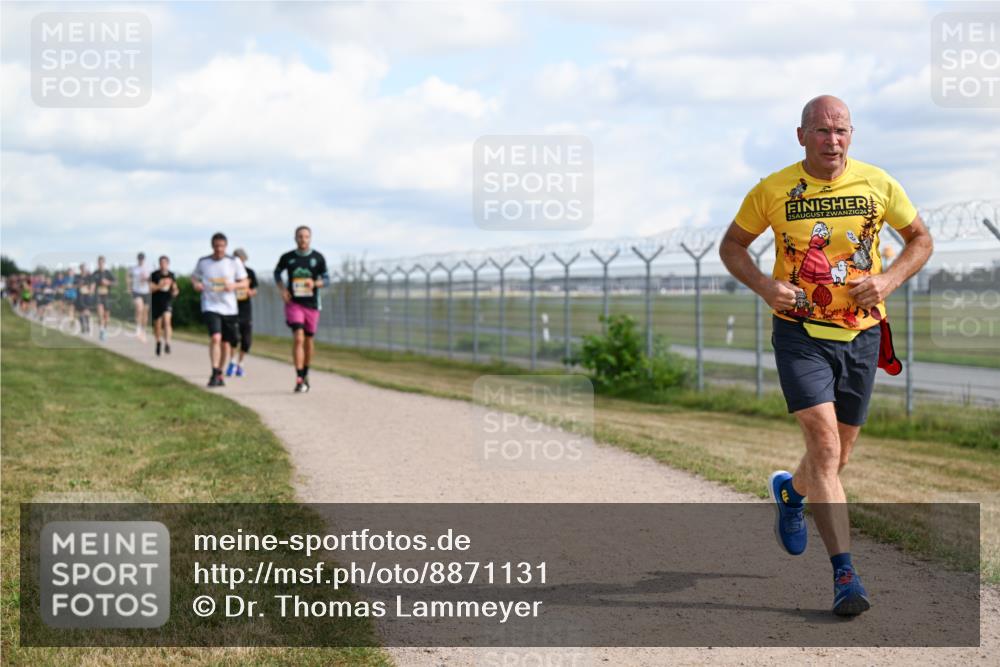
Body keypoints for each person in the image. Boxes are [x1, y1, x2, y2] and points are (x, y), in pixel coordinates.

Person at [719, 95, 933, 616]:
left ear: (851, 135)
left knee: (837, 457)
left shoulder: (878, 183)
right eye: (820, 130)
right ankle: (845, 575)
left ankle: (791, 493)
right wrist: (766, 287)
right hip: (800, 333)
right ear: (801, 136)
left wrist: (888, 279)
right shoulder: (772, 190)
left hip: (861, 334)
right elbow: (732, 246)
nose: (831, 141)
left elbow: (920, 240)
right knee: (823, 441)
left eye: (840, 131)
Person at [274, 226, 328, 393]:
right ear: (295, 238)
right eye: (300, 236)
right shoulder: (288, 257)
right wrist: (282, 290)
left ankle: (305, 372)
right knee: (298, 337)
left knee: (308, 340)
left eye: (306, 236)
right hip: (294, 303)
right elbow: (277, 273)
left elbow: (326, 279)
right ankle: (298, 378)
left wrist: (315, 283)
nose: (303, 239)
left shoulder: (318, 258)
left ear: (310, 238)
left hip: (312, 304)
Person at [191, 233, 249, 387]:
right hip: (210, 305)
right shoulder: (203, 262)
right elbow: (194, 277)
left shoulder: (234, 261)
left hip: (229, 308)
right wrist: (196, 284)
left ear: (226, 246)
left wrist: (234, 285)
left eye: (222, 246)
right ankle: (214, 370)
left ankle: (220, 373)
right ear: (212, 246)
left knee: (225, 343)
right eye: (216, 246)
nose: (219, 249)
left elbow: (245, 282)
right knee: (215, 337)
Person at [227, 248, 258, 377]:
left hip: (245, 309)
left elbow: (255, 289)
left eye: (240, 259)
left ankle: (240, 363)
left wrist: (251, 292)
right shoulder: (229, 273)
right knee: (233, 338)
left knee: (246, 340)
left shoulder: (250, 272)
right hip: (231, 308)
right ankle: (232, 362)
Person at [150, 255, 180, 356]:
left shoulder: (171, 275)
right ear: (159, 264)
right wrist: (160, 285)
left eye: (165, 263)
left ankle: (167, 343)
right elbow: (151, 289)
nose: (163, 265)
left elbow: (175, 288)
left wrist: (175, 292)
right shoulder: (154, 275)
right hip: (156, 301)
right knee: (157, 325)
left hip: (167, 300)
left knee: (167, 321)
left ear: (168, 264)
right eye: (161, 263)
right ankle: (158, 342)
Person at [127, 252, 151, 341]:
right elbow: (128, 276)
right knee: (139, 308)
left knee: (145, 313)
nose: (141, 260)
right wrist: (129, 287)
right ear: (137, 259)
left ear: (144, 259)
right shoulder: (134, 268)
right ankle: (137, 329)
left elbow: (152, 279)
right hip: (136, 291)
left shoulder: (148, 268)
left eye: (142, 258)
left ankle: (143, 331)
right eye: (139, 258)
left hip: (146, 292)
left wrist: (147, 279)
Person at [93, 256, 116, 341]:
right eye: (99, 262)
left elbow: (116, 282)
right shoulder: (95, 273)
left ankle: (105, 330)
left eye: (102, 262)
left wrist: (108, 282)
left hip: (107, 296)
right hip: (98, 296)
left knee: (106, 317)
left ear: (104, 263)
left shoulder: (108, 273)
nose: (100, 264)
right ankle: (101, 331)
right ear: (97, 263)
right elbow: (91, 283)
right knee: (100, 314)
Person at [75, 263, 94, 335]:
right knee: (80, 312)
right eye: (82, 268)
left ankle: (87, 325)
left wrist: (91, 291)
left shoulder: (89, 276)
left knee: (87, 311)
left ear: (86, 269)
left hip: (87, 296)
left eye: (84, 268)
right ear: (80, 269)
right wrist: (79, 284)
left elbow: (93, 284)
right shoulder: (77, 276)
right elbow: (74, 285)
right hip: (79, 296)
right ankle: (82, 326)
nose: (83, 269)